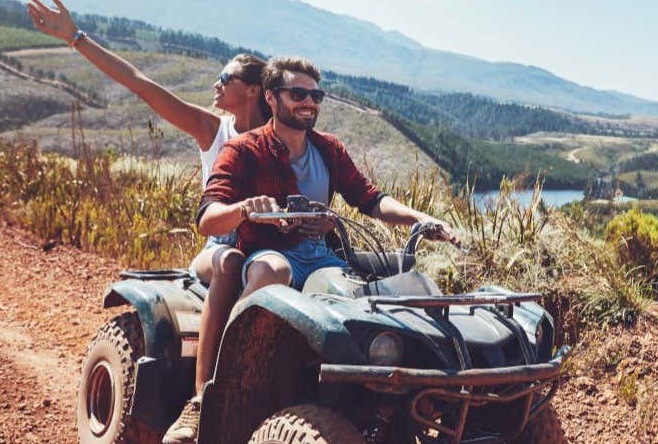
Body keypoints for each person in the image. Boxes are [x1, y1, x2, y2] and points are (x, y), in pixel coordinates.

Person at [162, 56, 455, 442]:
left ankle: (396, 396)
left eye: (316, 95)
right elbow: (208, 216)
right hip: (266, 253)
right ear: (271, 96)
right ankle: (222, 385)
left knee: (369, 295)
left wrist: (419, 218)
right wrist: (244, 209)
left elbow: (369, 199)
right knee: (272, 273)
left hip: (321, 257)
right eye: (298, 93)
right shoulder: (244, 150)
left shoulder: (329, 149)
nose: (309, 102)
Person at [25, 0, 265, 435]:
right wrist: (75, 38)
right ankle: (200, 401)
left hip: (271, 250)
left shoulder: (280, 138)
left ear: (251, 90)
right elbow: (140, 84)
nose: (215, 83)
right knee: (231, 263)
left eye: (224, 78)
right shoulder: (214, 130)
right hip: (223, 248)